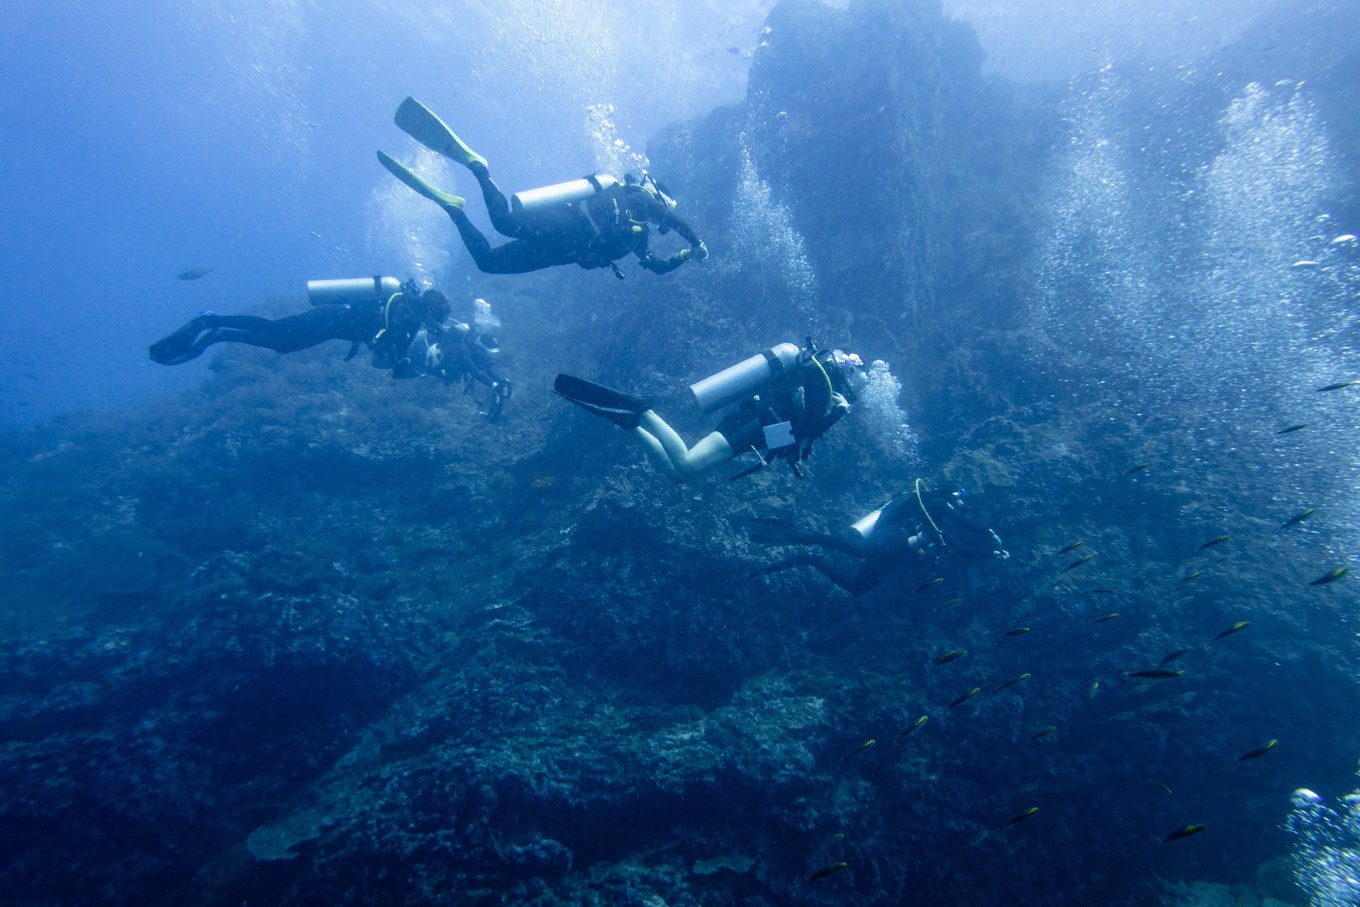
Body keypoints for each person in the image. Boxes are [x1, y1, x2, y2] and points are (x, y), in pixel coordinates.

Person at [377, 97, 708, 278]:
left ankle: (454, 209)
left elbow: (658, 268)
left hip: (561, 252)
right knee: (503, 221)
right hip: (569, 224)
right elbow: (676, 221)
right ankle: (479, 167)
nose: (663, 219)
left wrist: (687, 254)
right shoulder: (636, 198)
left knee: (488, 263)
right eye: (665, 206)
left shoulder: (639, 236)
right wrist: (697, 241)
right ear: (656, 195)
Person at [149, 277, 512, 411]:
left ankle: (218, 334)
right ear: (429, 308)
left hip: (337, 327)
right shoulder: (403, 310)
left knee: (281, 346)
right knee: (277, 332)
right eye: (435, 316)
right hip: (331, 317)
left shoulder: (411, 317)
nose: (435, 324)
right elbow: (385, 343)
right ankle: (211, 320)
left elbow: (391, 356)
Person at [554, 340, 862, 482]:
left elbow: (800, 430)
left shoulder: (817, 386)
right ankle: (641, 409)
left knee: (677, 475)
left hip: (755, 426)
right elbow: (810, 425)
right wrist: (839, 413)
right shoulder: (825, 394)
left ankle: (629, 422)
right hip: (754, 425)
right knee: (687, 465)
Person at [748, 484, 1008, 596]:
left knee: (858, 588)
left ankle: (808, 559)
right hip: (895, 535)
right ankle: (801, 535)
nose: (960, 504)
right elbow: (963, 523)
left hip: (895, 554)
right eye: (959, 498)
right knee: (859, 551)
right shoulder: (938, 502)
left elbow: (958, 546)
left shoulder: (941, 523)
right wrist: (988, 533)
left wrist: (989, 555)